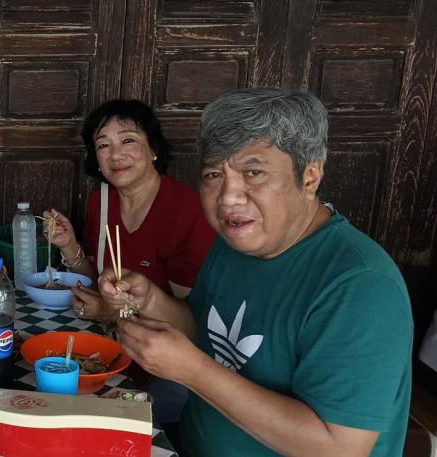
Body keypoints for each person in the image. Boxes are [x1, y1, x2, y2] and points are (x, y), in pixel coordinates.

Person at [99, 88, 412, 456]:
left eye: (253, 172)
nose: (228, 197)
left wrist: (192, 372)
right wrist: (151, 301)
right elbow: (204, 328)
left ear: (310, 176)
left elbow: (338, 448)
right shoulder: (236, 243)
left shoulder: (361, 285)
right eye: (214, 173)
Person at [43, 99, 215, 424]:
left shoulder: (185, 211)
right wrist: (69, 246)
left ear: (154, 149)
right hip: (113, 347)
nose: (115, 155)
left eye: (128, 140)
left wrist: (112, 312)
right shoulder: (102, 202)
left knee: (101, 425)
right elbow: (97, 277)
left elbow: (193, 325)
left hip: (166, 367)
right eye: (103, 145)